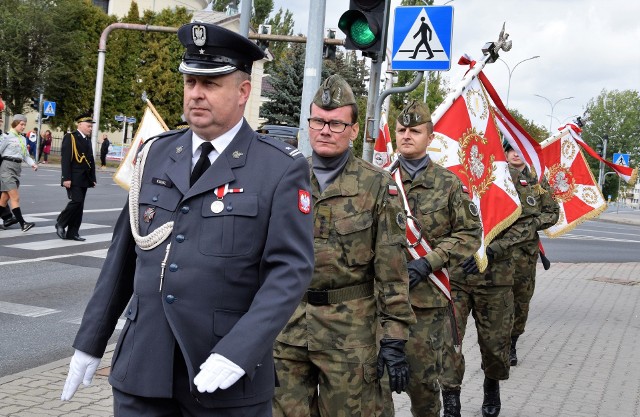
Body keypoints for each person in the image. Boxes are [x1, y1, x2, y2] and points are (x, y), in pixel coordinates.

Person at [60, 22, 314, 417]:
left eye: (210, 84)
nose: (196, 93)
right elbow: (123, 259)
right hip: (143, 368)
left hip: (223, 373)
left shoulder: (278, 168)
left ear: (243, 91)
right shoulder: (156, 154)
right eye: (191, 81)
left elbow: (289, 272)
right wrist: (91, 340)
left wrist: (239, 352)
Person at [272, 74, 416, 417]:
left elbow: (393, 271)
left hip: (350, 334)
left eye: (336, 124)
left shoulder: (377, 186)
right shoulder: (284, 178)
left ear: (353, 130)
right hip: (288, 327)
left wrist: (394, 336)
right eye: (318, 121)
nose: (325, 130)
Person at [380, 101, 482, 417]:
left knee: (423, 390)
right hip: (380, 302)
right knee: (376, 388)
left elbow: (469, 235)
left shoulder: (449, 184)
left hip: (426, 307)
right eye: (401, 130)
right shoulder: (378, 180)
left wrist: (429, 262)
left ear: (430, 136)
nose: (406, 136)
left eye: (415, 130)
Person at [439, 139, 554, 417]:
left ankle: (492, 387)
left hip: (496, 277)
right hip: (457, 276)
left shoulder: (513, 183)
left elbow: (527, 224)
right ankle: (451, 403)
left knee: (494, 345)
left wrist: (492, 249)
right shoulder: (456, 179)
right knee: (449, 342)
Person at [504, 142, 559, 366]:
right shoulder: (495, 177)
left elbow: (553, 212)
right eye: (511, 149)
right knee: (495, 301)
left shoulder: (537, 180)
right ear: (505, 153)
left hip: (524, 255)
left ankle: (512, 344)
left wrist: (532, 223)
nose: (515, 154)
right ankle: (494, 346)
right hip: (495, 254)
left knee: (520, 300)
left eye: (520, 150)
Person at [54, 112, 97, 241]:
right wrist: (65, 178)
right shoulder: (70, 137)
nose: (90, 128)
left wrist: (93, 178)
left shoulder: (87, 140)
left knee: (80, 206)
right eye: (88, 126)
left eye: (91, 126)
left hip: (84, 178)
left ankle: (73, 232)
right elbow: (66, 159)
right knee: (76, 201)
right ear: (80, 125)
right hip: (73, 177)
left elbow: (90, 160)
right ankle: (60, 222)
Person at [0, 114, 38, 232]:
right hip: (7, 167)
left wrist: (32, 164)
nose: (23, 127)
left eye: (24, 125)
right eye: (21, 124)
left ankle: (15, 221)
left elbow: (25, 155)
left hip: (17, 168)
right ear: (15, 123)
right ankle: (23, 224)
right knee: (15, 197)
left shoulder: (22, 138)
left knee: (4, 199)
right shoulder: (6, 136)